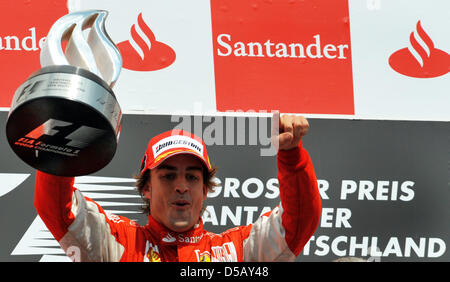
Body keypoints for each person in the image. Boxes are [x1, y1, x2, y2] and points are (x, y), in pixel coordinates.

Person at [34, 113, 321, 262]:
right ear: (146, 188)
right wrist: (61, 142)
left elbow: (298, 223)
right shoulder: (118, 243)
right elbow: (58, 210)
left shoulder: (237, 251)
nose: (182, 186)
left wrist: (292, 155)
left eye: (193, 177)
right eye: (168, 176)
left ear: (205, 190)